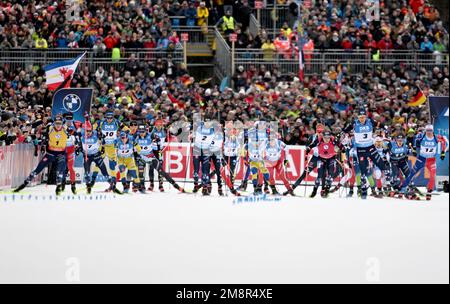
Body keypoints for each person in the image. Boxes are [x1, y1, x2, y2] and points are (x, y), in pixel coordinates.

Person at [14, 115, 68, 195]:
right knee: (38, 170)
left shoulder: (65, 129)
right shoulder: (50, 128)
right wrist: (42, 142)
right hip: (50, 154)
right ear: (54, 123)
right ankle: (24, 184)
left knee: (60, 171)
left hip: (61, 154)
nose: (58, 125)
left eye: (59, 123)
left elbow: (75, 128)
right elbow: (40, 128)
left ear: (62, 123)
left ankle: (59, 187)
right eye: (56, 123)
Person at [343, 108, 389, 199]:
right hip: (360, 150)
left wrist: (385, 129)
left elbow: (380, 125)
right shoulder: (354, 123)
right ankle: (361, 190)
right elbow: (345, 130)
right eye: (360, 117)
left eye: (363, 117)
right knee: (360, 172)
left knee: (374, 168)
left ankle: (383, 184)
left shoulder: (370, 121)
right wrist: (343, 136)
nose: (362, 119)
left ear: (366, 117)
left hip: (370, 148)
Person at [134, 125, 185, 193]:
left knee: (162, 172)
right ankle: (142, 186)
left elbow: (159, 141)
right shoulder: (136, 137)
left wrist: (158, 149)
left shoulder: (151, 135)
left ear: (146, 131)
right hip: (141, 157)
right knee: (140, 173)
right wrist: (136, 156)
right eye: (140, 132)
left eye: (143, 132)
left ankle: (176, 186)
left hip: (150, 157)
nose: (141, 133)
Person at [400, 125, 445, 200]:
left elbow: (443, 141)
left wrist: (443, 152)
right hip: (421, 159)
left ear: (433, 131)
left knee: (433, 176)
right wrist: (414, 149)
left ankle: (429, 191)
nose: (429, 132)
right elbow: (415, 139)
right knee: (411, 174)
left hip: (431, 160)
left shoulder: (436, 137)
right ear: (425, 131)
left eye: (430, 131)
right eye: (427, 130)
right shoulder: (421, 136)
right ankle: (403, 188)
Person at [81, 122, 121, 194]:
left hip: (96, 155)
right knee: (87, 172)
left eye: (90, 131)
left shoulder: (96, 133)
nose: (88, 133)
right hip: (87, 156)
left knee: (104, 170)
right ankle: (88, 186)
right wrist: (78, 148)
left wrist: (102, 147)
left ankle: (112, 185)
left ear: (92, 131)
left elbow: (103, 140)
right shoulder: (82, 134)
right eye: (87, 131)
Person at [310, 131, 340, 198]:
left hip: (331, 159)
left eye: (328, 138)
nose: (326, 139)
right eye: (325, 138)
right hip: (321, 158)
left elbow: (340, 147)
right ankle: (314, 191)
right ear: (322, 137)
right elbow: (311, 145)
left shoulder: (333, 140)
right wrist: (308, 148)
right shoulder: (319, 140)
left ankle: (326, 191)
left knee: (330, 176)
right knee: (319, 176)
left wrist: (341, 150)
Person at [192, 114, 215, 195]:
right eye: (206, 122)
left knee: (205, 171)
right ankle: (195, 185)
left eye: (209, 122)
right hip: (197, 150)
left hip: (206, 151)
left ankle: (205, 187)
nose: (207, 123)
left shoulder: (213, 129)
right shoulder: (199, 127)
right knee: (196, 171)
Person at [149, 119, 167, 191]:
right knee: (151, 168)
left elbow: (172, 135)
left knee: (160, 168)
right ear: (155, 125)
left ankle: (160, 185)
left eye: (160, 125)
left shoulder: (165, 130)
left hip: (160, 152)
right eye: (157, 125)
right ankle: (151, 184)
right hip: (152, 151)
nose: (158, 127)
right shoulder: (151, 130)